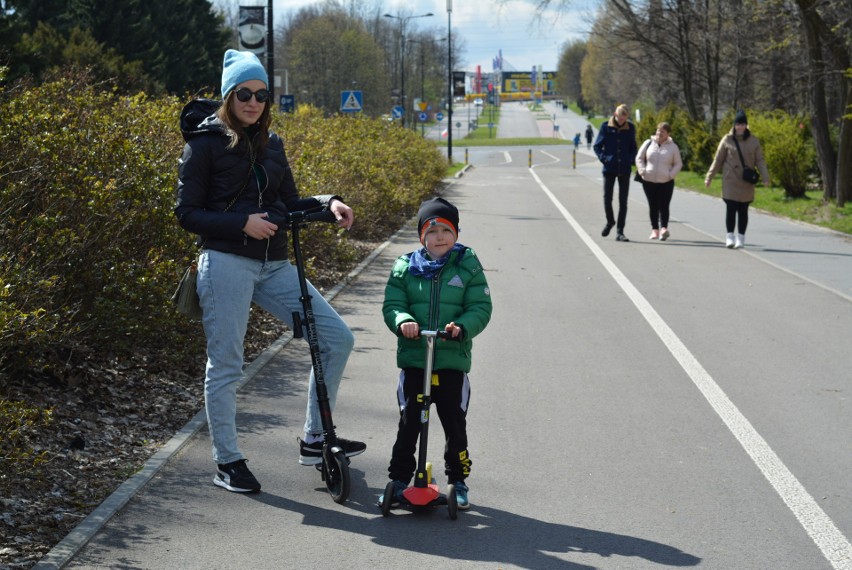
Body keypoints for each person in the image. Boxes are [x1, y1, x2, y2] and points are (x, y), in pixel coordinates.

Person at [175, 49, 366, 493]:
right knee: (226, 365)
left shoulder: (272, 145)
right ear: (229, 96)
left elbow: (287, 204)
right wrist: (241, 222)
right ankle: (228, 462)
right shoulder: (203, 146)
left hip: (275, 263)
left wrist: (327, 204)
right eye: (244, 93)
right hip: (225, 263)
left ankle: (315, 438)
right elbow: (187, 214)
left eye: (262, 94)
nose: (253, 101)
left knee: (336, 338)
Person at [379, 197, 492, 511]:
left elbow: (480, 307)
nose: (439, 236)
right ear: (421, 237)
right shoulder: (405, 267)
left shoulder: (467, 264)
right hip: (416, 361)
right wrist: (404, 322)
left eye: (446, 229)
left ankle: (459, 479)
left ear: (455, 233)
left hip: (451, 361)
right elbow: (393, 305)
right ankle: (399, 479)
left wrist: (463, 327)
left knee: (454, 424)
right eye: (432, 230)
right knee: (409, 422)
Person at [705, 110, 770, 249]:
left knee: (743, 210)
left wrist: (765, 177)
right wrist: (709, 176)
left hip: (746, 181)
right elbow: (718, 159)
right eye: (738, 124)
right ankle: (729, 236)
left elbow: (760, 160)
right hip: (730, 180)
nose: (740, 127)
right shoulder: (727, 140)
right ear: (734, 125)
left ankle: (741, 237)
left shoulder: (754, 141)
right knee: (731, 208)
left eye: (743, 124)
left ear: (746, 125)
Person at [593, 104, 638, 242]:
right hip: (609, 168)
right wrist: (604, 159)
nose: (621, 120)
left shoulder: (630, 128)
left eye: (624, 117)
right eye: (619, 116)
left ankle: (620, 231)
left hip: (624, 169)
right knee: (607, 198)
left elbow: (633, 148)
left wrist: (630, 159)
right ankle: (610, 221)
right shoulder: (605, 127)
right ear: (615, 114)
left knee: (623, 201)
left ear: (627, 117)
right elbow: (597, 146)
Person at [635, 122, 683, 241]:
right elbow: (639, 158)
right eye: (658, 131)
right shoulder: (648, 143)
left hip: (666, 182)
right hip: (649, 181)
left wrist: (670, 175)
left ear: (668, 134)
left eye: (662, 132)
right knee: (653, 205)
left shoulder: (673, 147)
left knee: (664, 205)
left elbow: (678, 164)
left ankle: (664, 229)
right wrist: (642, 171)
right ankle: (654, 230)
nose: (659, 133)